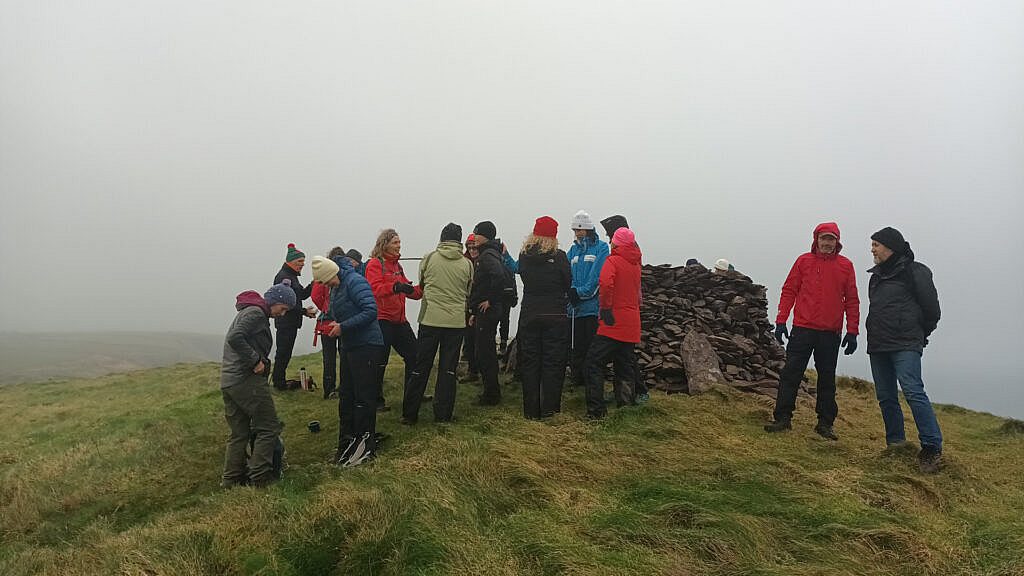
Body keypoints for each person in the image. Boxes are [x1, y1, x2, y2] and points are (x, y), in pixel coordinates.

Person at [765, 222, 860, 440]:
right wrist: (781, 321)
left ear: (838, 242)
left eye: (831, 239)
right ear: (816, 239)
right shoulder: (803, 261)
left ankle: (825, 424)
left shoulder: (846, 266)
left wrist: (852, 331)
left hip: (830, 332)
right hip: (802, 329)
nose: (827, 243)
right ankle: (782, 418)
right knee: (791, 373)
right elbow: (789, 290)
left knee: (826, 378)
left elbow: (852, 300)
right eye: (823, 238)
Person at [866, 227, 943, 473]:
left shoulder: (915, 271)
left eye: (876, 244)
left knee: (912, 391)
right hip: (878, 344)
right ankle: (896, 444)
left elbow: (932, 310)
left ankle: (931, 447)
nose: (872, 249)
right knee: (886, 396)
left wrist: (920, 335)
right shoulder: (876, 275)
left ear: (890, 247)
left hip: (905, 343)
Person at [312, 255, 385, 468]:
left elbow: (371, 311)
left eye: (326, 281)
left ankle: (365, 444)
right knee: (347, 395)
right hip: (349, 345)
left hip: (367, 345)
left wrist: (343, 327)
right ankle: (348, 442)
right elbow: (337, 313)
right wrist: (331, 323)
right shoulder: (336, 288)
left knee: (363, 396)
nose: (326, 286)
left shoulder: (355, 282)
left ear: (332, 273)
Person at [220, 282, 295, 488]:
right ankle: (261, 478)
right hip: (245, 380)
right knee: (268, 427)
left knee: (239, 433)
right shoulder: (256, 313)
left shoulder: (250, 311)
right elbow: (236, 338)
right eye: (284, 308)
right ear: (276, 301)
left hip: (229, 381)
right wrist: (255, 360)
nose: (282, 314)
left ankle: (232, 479)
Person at [402, 223, 475, 424]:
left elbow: (422, 284)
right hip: (455, 323)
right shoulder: (467, 264)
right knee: (448, 369)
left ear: (442, 238)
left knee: (421, 366)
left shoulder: (429, 258)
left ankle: (409, 414)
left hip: (430, 320)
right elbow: (468, 290)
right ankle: (443, 415)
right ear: (459, 241)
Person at [512, 216, 572, 419]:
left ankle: (531, 411)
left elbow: (524, 276)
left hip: (530, 313)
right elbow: (567, 282)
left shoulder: (524, 256)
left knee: (530, 362)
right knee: (553, 362)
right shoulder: (560, 256)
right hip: (555, 314)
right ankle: (550, 410)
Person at [584, 227, 643, 418]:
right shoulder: (635, 264)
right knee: (624, 364)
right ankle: (625, 405)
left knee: (593, 362)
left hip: (613, 322)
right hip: (631, 323)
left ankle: (596, 410)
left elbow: (606, 282)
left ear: (616, 243)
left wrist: (606, 308)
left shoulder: (613, 261)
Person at [365, 229, 423, 412]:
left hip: (399, 320)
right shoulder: (375, 264)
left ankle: (412, 395)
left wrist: (425, 285)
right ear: (385, 244)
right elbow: (375, 289)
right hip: (382, 319)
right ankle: (375, 401)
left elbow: (410, 290)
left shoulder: (398, 266)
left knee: (414, 356)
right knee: (379, 361)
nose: (399, 245)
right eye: (395, 242)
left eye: (399, 242)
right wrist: (396, 287)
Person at [598, 214, 649, 401]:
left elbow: (608, 282)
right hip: (631, 308)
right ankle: (628, 393)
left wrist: (606, 307)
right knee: (625, 355)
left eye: (608, 233)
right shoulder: (634, 251)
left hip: (620, 309)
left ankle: (638, 391)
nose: (608, 238)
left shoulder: (621, 254)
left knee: (623, 356)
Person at [565, 210, 609, 389]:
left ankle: (591, 383)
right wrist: (570, 293)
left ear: (589, 229)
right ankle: (577, 380)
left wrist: (578, 293)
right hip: (574, 309)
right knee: (576, 347)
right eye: (575, 230)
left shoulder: (601, 248)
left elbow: (597, 278)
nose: (577, 233)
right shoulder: (573, 250)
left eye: (580, 230)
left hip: (591, 307)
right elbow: (566, 273)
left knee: (591, 348)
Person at [468, 221, 508, 406]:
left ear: (484, 235)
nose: (474, 236)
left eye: (476, 233)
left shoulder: (488, 255)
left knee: (485, 353)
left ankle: (491, 395)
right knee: (484, 351)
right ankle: (491, 392)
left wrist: (490, 300)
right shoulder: (492, 252)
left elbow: (498, 275)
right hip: (485, 310)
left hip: (489, 310)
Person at [271, 243, 316, 389]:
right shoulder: (283, 277)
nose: (302, 264)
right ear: (290, 261)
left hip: (290, 322)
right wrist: (304, 311)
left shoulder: (292, 276)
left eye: (303, 261)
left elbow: (301, 295)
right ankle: (279, 382)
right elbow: (286, 304)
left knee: (286, 352)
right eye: (299, 262)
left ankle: (280, 381)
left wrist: (314, 283)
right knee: (283, 352)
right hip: (285, 321)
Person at [312, 246, 346, 400]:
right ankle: (339, 387)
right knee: (343, 354)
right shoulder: (335, 273)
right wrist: (329, 309)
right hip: (335, 320)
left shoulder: (324, 273)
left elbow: (316, 295)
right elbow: (316, 295)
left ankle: (330, 388)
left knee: (329, 356)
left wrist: (325, 308)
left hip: (327, 321)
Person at [461, 234, 480, 380]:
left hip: (481, 305)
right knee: (468, 337)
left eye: (475, 247)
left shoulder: (484, 261)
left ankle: (476, 370)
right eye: (470, 247)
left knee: (479, 340)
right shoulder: (464, 261)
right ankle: (472, 370)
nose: (472, 250)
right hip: (466, 305)